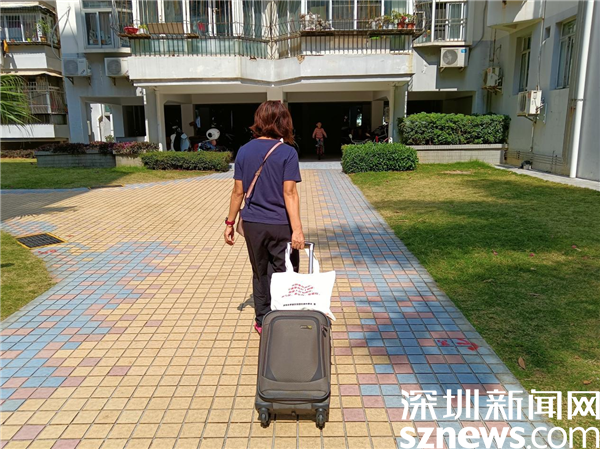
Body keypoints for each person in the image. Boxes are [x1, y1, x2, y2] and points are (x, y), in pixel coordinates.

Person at [224, 101, 304, 334]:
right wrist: (297, 230)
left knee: (260, 272)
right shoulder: (288, 152)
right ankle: (283, 316)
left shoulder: (244, 150)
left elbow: (237, 192)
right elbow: (290, 193)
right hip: (281, 225)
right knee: (286, 271)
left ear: (259, 120)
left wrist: (230, 223)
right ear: (284, 122)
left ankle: (262, 321)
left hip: (253, 224)